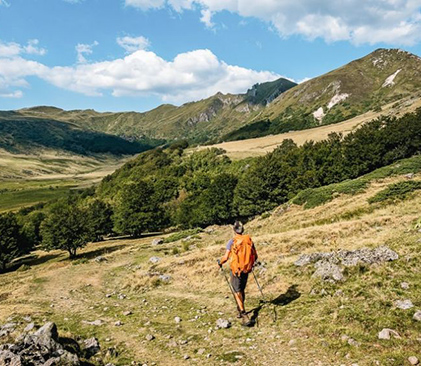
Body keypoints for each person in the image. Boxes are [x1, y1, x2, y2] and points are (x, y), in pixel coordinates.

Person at [218, 221, 258, 323]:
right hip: (246, 269)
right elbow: (255, 256)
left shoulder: (232, 242)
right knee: (241, 289)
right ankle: (239, 310)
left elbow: (226, 257)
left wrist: (220, 262)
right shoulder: (248, 240)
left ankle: (244, 314)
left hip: (236, 270)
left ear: (234, 231)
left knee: (236, 291)